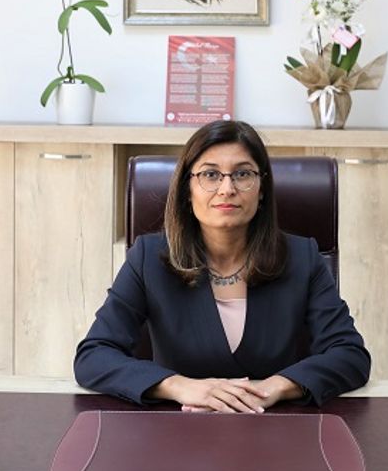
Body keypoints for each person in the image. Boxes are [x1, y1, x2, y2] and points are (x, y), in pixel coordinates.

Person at [74, 120, 370, 412]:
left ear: (261, 189)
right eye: (210, 174)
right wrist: (178, 386)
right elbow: (94, 356)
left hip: (271, 423)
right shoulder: (148, 258)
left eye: (242, 174)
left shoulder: (302, 257)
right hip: (176, 426)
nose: (227, 188)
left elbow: (350, 354)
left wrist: (275, 388)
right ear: (187, 189)